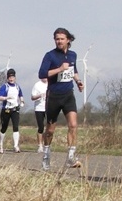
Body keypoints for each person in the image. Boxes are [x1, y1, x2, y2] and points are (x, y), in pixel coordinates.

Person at [39, 27, 84, 171]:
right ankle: (46, 157)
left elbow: (73, 70)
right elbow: (42, 74)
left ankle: (71, 157)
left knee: (73, 124)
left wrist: (78, 81)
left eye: (61, 39)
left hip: (68, 94)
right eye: (57, 39)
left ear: (68, 40)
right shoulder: (50, 56)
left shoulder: (73, 55)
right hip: (54, 96)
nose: (59, 41)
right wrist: (59, 69)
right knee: (50, 130)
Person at [0, 69, 25, 153]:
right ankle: (1, 144)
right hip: (6, 109)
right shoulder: (5, 86)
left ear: (15, 77)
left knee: (16, 127)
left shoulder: (17, 86)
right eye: (9, 77)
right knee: (4, 127)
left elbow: (20, 95)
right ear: (7, 78)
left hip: (15, 109)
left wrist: (22, 101)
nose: (11, 79)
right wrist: (6, 98)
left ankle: (16, 145)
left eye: (12, 77)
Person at [30, 76, 48, 153]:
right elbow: (32, 97)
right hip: (39, 108)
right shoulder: (37, 85)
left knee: (49, 127)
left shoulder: (51, 84)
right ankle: (40, 145)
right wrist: (40, 95)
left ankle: (47, 145)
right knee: (41, 127)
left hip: (49, 108)